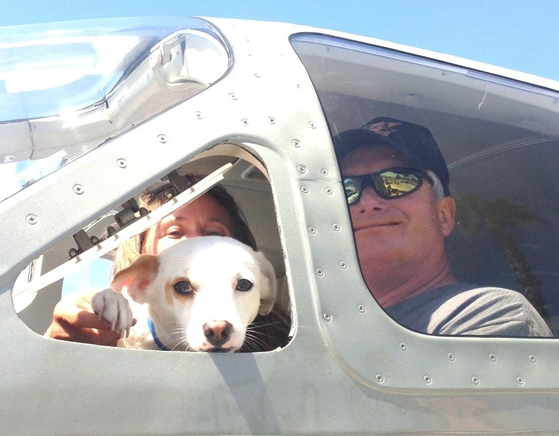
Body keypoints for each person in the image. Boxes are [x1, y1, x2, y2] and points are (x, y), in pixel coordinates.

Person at [333, 117, 552, 337]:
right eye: (347, 188)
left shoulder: (489, 315)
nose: (368, 202)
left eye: (397, 181)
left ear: (444, 216)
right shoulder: (324, 325)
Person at [45, 181, 291, 351]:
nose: (199, 246)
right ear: (142, 282)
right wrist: (58, 346)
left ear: (263, 290)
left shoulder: (284, 345)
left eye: (214, 234)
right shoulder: (118, 326)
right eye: (175, 232)